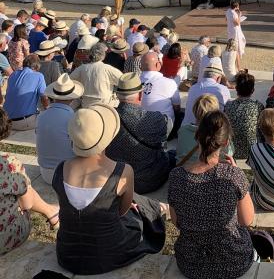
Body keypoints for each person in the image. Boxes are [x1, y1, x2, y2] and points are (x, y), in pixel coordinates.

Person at [53, 103, 165, 274]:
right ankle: (160, 207)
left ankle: (157, 207)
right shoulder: (122, 171)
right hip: (110, 253)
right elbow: (122, 211)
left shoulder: (60, 169)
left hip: (67, 255)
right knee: (137, 215)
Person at [168, 111, 255, 279]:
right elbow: (247, 220)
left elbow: (177, 221)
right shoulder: (233, 175)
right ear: (226, 141)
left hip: (190, 262)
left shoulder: (176, 176)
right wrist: (238, 175)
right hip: (232, 262)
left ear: (197, 136)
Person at [0, 107, 60, 255]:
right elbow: (27, 204)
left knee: (20, 188)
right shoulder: (8, 164)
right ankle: (51, 211)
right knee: (23, 191)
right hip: (6, 238)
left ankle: (51, 211)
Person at [105, 73, 174, 194]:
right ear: (141, 94)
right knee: (172, 155)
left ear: (117, 95)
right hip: (150, 180)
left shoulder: (107, 118)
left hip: (118, 181)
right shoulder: (155, 118)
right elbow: (170, 125)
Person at [36, 74, 83, 184]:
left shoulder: (40, 116)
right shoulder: (74, 119)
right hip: (67, 176)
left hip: (45, 174)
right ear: (72, 97)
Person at [176, 94, 234, 166]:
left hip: (183, 170)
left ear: (195, 110)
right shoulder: (219, 134)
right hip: (213, 171)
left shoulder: (183, 130)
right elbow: (230, 152)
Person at [224, 71, 264, 159]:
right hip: (252, 149)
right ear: (252, 90)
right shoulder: (258, 106)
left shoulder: (228, 105)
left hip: (232, 149)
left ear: (236, 88)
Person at [139, 51, 181, 135]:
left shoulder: (134, 82)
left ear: (140, 67)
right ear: (158, 65)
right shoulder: (169, 82)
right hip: (162, 130)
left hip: (139, 127)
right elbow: (177, 107)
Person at [3, 54, 48, 130]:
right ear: (37, 67)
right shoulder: (39, 76)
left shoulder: (13, 74)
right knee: (50, 117)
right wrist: (48, 109)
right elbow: (44, 99)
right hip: (23, 122)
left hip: (7, 121)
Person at [70, 42, 121, 108]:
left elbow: (70, 81)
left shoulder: (82, 68)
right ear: (103, 55)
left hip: (86, 104)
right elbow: (122, 80)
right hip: (105, 105)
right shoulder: (107, 68)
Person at [225, 0, 246, 64]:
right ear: (236, 7)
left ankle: (230, 54)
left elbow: (226, 19)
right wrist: (239, 15)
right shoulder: (234, 14)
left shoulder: (228, 11)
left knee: (230, 41)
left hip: (229, 28)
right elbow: (237, 23)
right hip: (235, 30)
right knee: (237, 42)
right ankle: (237, 55)